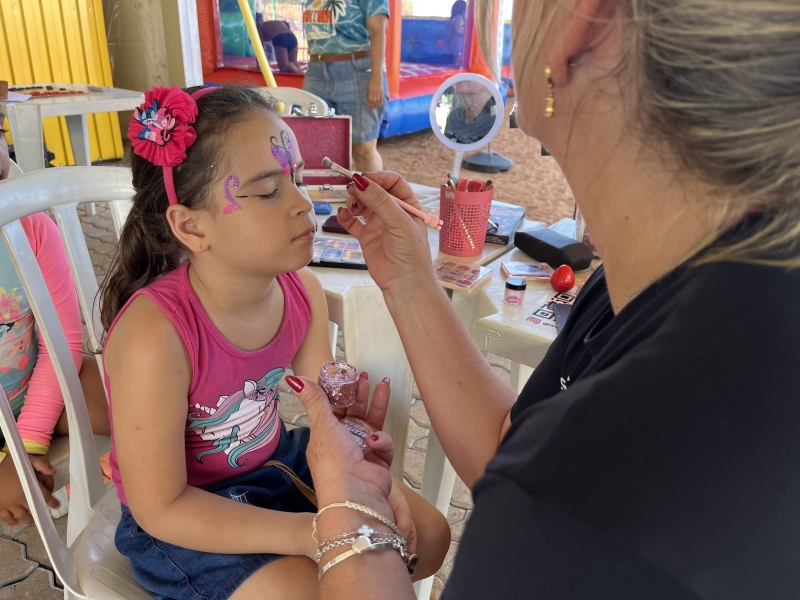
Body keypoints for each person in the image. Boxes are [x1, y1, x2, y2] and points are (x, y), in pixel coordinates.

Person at [281, 0, 800, 597]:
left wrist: (350, 505)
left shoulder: (574, 524)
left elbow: (549, 484)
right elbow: (513, 446)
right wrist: (409, 279)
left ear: (582, 24)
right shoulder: (667, 282)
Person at [98, 84, 448, 600]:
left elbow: (325, 407)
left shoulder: (301, 291)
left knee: (431, 537)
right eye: (267, 192)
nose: (304, 203)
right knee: (321, 590)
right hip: (189, 519)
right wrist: (313, 534)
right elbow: (161, 506)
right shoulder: (155, 336)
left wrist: (352, 442)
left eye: (298, 178)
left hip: (278, 462)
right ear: (191, 226)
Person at [0, 111, 110, 527]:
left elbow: (60, 345)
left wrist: (29, 441)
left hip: (36, 386)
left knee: (145, 395)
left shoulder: (33, 230)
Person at [302, 0, 389, 172]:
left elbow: (378, 31)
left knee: (363, 149)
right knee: (317, 147)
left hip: (357, 71)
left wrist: (376, 77)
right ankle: (330, 190)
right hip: (316, 72)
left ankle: (373, 190)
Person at [448, 0, 467, 65]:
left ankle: (456, 65)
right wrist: (466, 33)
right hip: (458, 40)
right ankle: (457, 66)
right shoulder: (459, 18)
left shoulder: (455, 18)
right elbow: (458, 30)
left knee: (457, 55)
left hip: (455, 40)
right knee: (458, 55)